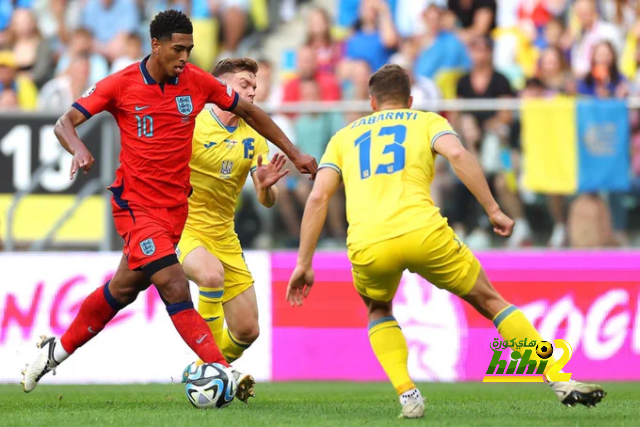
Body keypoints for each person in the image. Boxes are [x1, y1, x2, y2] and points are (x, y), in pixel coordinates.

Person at [22, 10, 317, 398]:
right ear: (156, 46)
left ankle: (54, 352)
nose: (185, 58)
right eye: (178, 49)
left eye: (190, 50)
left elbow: (249, 111)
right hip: (136, 209)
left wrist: (293, 153)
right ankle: (221, 371)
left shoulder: (195, 82)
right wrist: (78, 149)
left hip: (174, 211)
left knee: (123, 290)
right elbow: (65, 122)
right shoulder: (120, 83)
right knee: (176, 285)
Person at [286, 64, 606, 419]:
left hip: (369, 240)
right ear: (409, 100)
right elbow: (457, 155)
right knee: (489, 299)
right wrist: (494, 210)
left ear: (372, 102)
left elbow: (318, 198)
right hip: (424, 232)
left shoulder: (343, 137)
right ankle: (559, 379)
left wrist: (303, 262)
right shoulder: (426, 120)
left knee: (378, 308)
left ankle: (408, 395)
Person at [176, 58, 290, 398]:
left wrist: (267, 186)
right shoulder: (192, 123)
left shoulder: (255, 135)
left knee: (246, 330)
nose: (253, 91)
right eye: (244, 85)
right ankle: (212, 368)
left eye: (254, 86)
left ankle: (204, 373)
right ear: (222, 88)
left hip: (225, 234)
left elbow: (267, 200)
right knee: (210, 276)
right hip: (183, 226)